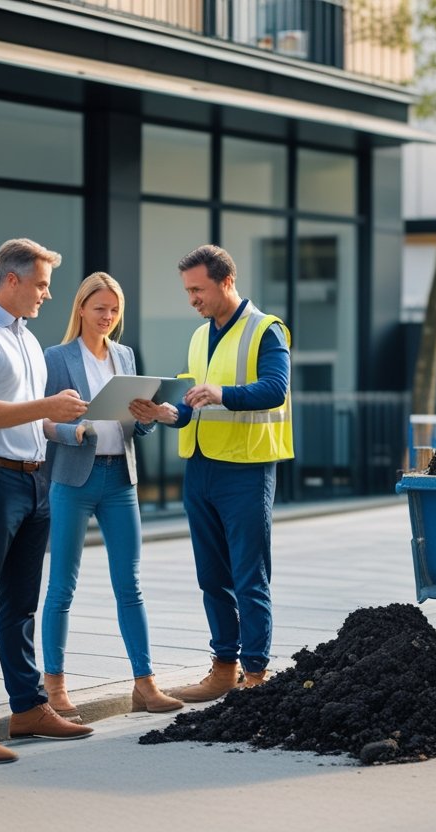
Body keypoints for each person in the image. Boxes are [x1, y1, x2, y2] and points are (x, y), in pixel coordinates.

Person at [0, 238, 93, 765]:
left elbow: (32, 416)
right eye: (43, 284)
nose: (48, 295)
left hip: (35, 480)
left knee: (22, 605)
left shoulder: (26, 339)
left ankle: (27, 708)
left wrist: (68, 425)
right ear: (12, 280)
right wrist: (47, 405)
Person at [133, 244, 293, 702]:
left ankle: (256, 674)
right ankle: (223, 669)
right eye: (187, 291)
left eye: (197, 289)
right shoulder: (200, 337)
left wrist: (221, 392)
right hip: (201, 469)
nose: (192, 300)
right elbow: (192, 404)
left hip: (245, 469)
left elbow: (274, 389)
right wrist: (168, 415)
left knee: (249, 575)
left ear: (226, 281)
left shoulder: (266, 329)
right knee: (211, 576)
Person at [39, 272, 182, 719]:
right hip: (73, 479)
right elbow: (41, 420)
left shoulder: (124, 355)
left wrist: (149, 416)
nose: (107, 317)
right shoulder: (57, 358)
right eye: (100, 308)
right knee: (62, 586)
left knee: (131, 586)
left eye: (114, 310)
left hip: (120, 479)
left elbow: (133, 426)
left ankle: (145, 684)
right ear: (81, 308)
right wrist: (73, 428)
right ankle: (55, 689)